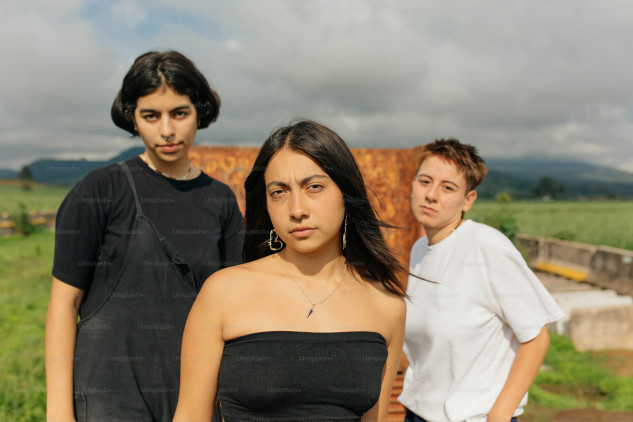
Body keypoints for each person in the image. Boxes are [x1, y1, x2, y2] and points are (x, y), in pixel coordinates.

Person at [45, 50, 244, 422]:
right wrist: (58, 413)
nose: (167, 130)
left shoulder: (220, 201)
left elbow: (232, 314)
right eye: (151, 115)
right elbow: (63, 305)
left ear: (199, 111)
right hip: (108, 399)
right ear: (132, 119)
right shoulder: (100, 190)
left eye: (179, 113)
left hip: (193, 402)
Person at [173, 119, 407, 422]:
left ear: (347, 195)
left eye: (314, 187)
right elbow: (191, 415)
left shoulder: (386, 306)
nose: (297, 209)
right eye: (279, 192)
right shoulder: (224, 293)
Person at [399, 139, 564, 422]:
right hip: (418, 413)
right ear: (413, 184)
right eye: (425, 181)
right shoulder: (420, 250)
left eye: (447, 187)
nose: (431, 195)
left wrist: (500, 414)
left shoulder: (486, 247)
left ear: (468, 201)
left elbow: (536, 336)